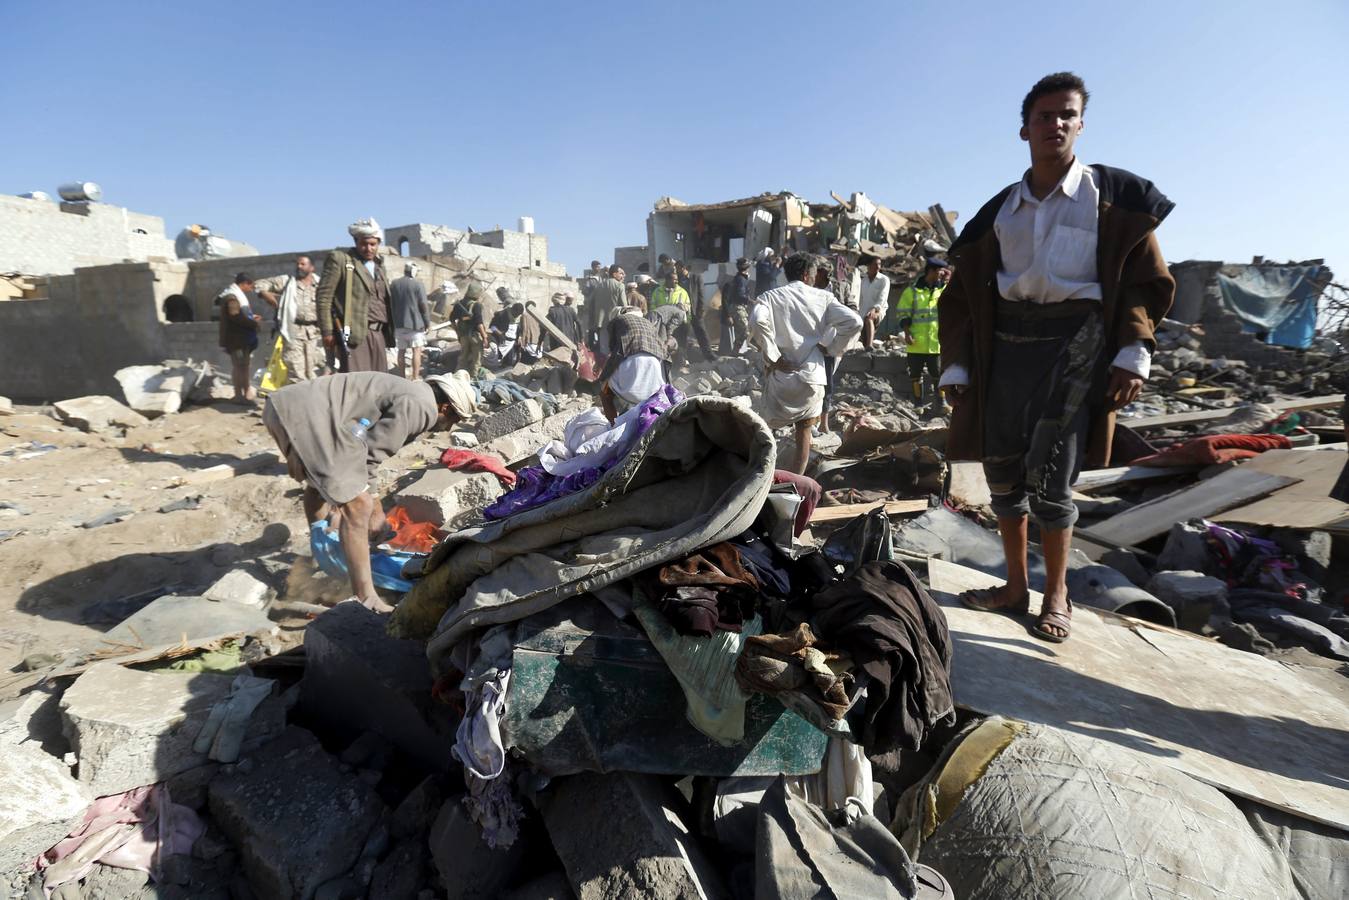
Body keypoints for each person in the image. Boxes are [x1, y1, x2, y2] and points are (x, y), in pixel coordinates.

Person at [939, 72, 1175, 643]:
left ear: (1081, 125)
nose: (1056, 124)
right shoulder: (1000, 211)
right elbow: (966, 297)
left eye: (1067, 115)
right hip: (1005, 349)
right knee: (1001, 471)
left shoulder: (1113, 201)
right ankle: (1015, 586)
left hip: (1076, 348)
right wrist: (959, 364)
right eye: (1045, 116)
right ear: (1025, 129)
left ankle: (1058, 593)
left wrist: (1133, 351)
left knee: (1052, 478)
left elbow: (1145, 283)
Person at [262, 371, 477, 612]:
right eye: (455, 419)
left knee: (319, 484)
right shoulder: (422, 407)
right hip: (303, 416)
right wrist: (375, 511)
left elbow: (360, 452)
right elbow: (368, 458)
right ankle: (366, 597)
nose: (449, 427)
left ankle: (322, 548)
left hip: (283, 407)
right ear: (446, 407)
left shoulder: (414, 392)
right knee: (359, 507)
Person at [749, 252, 863, 474]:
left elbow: (756, 320)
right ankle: (794, 483)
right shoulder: (824, 298)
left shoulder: (770, 297)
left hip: (780, 377)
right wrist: (832, 348)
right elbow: (855, 322)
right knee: (804, 433)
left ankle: (763, 476)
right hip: (812, 376)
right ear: (805, 274)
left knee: (767, 431)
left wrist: (774, 356)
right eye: (813, 273)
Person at [317, 218, 394, 373]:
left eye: (373, 244)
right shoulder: (341, 261)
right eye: (363, 244)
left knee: (379, 385)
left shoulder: (379, 267)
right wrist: (327, 332)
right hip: (355, 335)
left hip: (379, 334)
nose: (368, 248)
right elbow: (324, 297)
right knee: (357, 386)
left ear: (378, 243)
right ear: (356, 242)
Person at [256, 256, 325, 382]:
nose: (299, 267)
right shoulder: (287, 281)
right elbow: (259, 284)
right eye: (297, 264)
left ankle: (309, 398)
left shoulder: (320, 284)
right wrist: (265, 294)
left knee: (311, 370)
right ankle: (297, 399)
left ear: (311, 267)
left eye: (303, 264)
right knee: (295, 369)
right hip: (293, 331)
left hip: (313, 333)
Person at [599, 307, 669, 420]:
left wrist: (604, 374)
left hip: (632, 362)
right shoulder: (648, 322)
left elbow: (613, 349)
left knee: (605, 394)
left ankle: (613, 426)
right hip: (654, 363)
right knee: (650, 395)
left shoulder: (617, 321)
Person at [895, 257, 949, 403]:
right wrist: (907, 333)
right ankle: (918, 404)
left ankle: (941, 402)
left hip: (935, 343)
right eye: (939, 271)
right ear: (930, 271)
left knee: (938, 374)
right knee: (915, 375)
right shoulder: (912, 291)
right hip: (916, 343)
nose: (941, 274)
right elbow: (903, 313)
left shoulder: (944, 290)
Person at [217, 273, 262, 401]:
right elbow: (235, 316)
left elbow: (238, 315)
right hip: (237, 341)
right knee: (240, 366)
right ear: (244, 284)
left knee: (243, 366)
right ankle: (239, 394)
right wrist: (253, 323)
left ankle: (245, 393)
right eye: (250, 286)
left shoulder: (235, 296)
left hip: (241, 339)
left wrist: (250, 318)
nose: (251, 289)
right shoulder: (232, 298)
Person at [388, 262, 431, 380]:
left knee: (401, 351)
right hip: (415, 324)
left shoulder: (394, 284)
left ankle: (401, 377)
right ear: (413, 271)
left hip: (399, 324)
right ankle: (415, 377)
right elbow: (423, 305)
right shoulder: (418, 284)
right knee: (416, 350)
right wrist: (427, 322)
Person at [583, 264, 626, 353]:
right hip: (615, 322)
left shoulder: (599, 285)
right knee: (616, 349)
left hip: (601, 323)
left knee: (604, 349)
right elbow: (624, 305)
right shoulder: (620, 286)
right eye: (620, 273)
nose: (622, 276)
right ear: (614, 274)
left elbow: (591, 302)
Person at [451, 282, 490, 377]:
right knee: (476, 360)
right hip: (475, 337)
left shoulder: (459, 304)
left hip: (463, 336)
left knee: (462, 358)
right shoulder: (477, 305)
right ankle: (473, 379)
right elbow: (479, 323)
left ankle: (457, 377)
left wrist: (458, 332)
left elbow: (452, 319)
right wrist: (485, 337)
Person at [677, 260, 713, 361]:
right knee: (682, 335)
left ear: (683, 268)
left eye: (678, 268)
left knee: (701, 333)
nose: (677, 270)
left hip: (695, 310)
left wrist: (701, 308)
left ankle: (709, 355)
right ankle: (683, 358)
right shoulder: (678, 279)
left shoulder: (696, 277)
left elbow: (701, 293)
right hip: (683, 311)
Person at [857, 254, 892, 350]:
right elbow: (860, 299)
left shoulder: (884, 280)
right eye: (875, 264)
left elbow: (882, 297)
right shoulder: (863, 281)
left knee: (869, 318)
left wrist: (874, 309)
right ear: (868, 266)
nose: (878, 267)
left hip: (878, 310)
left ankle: (870, 345)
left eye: (879, 264)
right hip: (863, 312)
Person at [723, 257, 754, 355]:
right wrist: (751, 301)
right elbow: (740, 295)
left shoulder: (740, 278)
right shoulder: (740, 279)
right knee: (745, 331)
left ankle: (735, 351)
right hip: (738, 307)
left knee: (740, 331)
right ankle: (735, 351)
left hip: (739, 307)